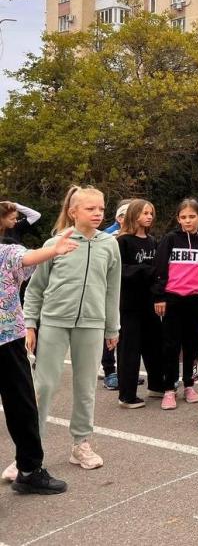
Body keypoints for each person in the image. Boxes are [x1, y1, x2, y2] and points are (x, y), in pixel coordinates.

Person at [24, 186, 121, 470]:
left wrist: (111, 327)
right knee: (43, 385)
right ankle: (29, 452)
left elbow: (112, 290)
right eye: (90, 209)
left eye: (101, 209)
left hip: (91, 324)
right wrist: (31, 323)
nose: (98, 214)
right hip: (54, 321)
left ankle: (81, 444)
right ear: (73, 211)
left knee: (86, 386)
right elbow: (35, 288)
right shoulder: (55, 242)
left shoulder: (109, 244)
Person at [0, 230, 77, 493]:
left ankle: (30, 470)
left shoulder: (6, 253)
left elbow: (28, 257)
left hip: (8, 341)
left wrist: (53, 250)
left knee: (22, 405)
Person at [153, 199, 198, 409]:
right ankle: (169, 388)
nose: (188, 221)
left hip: (196, 300)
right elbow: (159, 268)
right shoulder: (170, 239)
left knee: (192, 344)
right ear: (178, 219)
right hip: (173, 299)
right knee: (171, 345)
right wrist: (159, 296)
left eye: (192, 216)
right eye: (184, 217)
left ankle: (189, 384)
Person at [115, 199, 164, 409]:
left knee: (154, 345)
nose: (149, 216)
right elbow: (119, 270)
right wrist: (144, 270)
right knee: (129, 349)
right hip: (130, 303)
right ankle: (127, 395)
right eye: (145, 213)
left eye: (151, 213)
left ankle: (156, 385)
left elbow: (158, 270)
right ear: (134, 215)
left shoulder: (153, 241)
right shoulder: (122, 241)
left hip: (150, 301)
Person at [99, 199, 133, 389]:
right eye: (126, 215)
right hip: (109, 291)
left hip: (128, 293)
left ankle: (124, 372)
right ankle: (109, 371)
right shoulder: (108, 236)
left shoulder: (138, 236)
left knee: (125, 333)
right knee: (110, 330)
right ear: (119, 218)